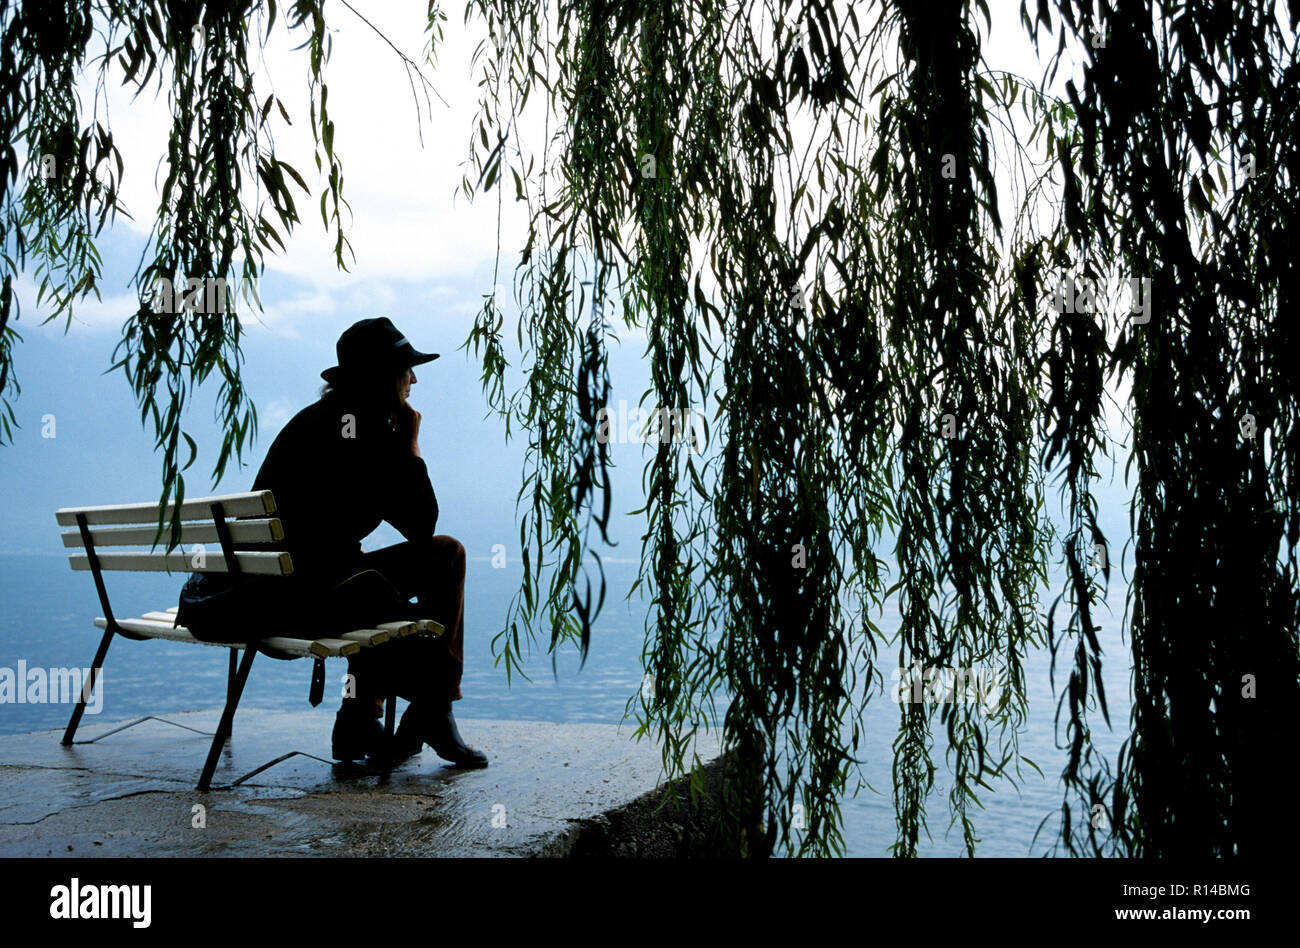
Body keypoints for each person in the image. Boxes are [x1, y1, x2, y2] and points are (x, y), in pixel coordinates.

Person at [250, 316, 488, 768]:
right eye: (407, 369)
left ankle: (361, 716)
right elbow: (421, 523)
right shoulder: (365, 429)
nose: (414, 378)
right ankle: (432, 709)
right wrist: (411, 444)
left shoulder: (317, 420)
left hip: (278, 593)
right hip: (310, 600)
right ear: (384, 375)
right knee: (445, 554)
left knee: (372, 583)